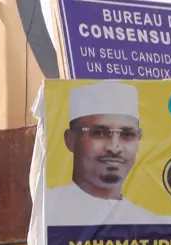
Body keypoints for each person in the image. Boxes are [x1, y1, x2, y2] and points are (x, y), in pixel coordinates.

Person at [45, 80, 158, 226]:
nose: (114, 147)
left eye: (128, 134)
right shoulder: (49, 207)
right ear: (71, 140)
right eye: (99, 133)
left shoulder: (148, 223)